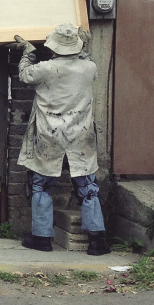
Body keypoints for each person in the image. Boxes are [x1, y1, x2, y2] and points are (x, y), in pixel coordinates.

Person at [13, 23, 110, 256]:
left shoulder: (44, 68)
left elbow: (25, 74)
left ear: (53, 47)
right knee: (87, 186)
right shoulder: (89, 68)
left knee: (40, 184)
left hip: (49, 133)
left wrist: (28, 53)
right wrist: (83, 45)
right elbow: (84, 58)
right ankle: (97, 241)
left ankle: (42, 238)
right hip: (80, 133)